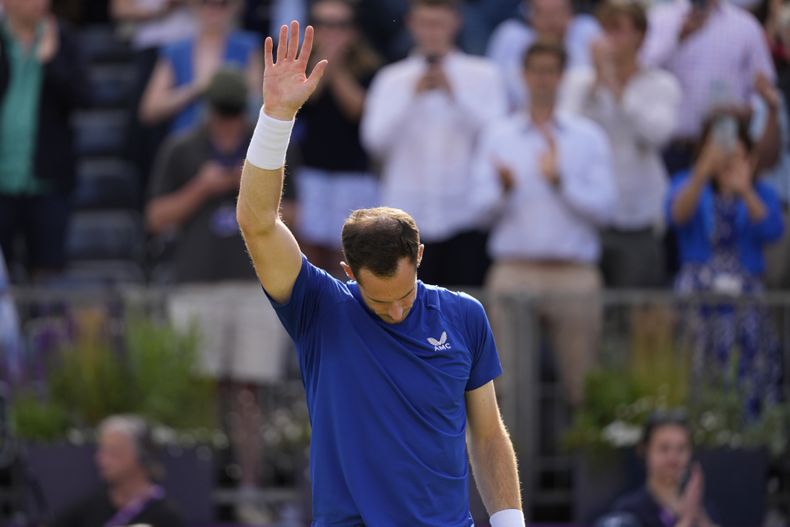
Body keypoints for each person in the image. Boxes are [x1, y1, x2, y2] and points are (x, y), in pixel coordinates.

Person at [237, 20, 524, 526]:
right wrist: (276, 117)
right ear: (348, 272)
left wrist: (509, 523)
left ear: (420, 256)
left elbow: (488, 433)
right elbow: (257, 224)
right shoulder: (319, 309)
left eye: (405, 296)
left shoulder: (464, 316)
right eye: (378, 302)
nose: (394, 310)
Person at [146, 68, 285, 523]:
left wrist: (251, 187)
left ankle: (247, 491)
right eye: (221, 115)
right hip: (198, 283)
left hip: (253, 284)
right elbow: (157, 217)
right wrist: (202, 188)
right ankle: (199, 492)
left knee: (249, 393)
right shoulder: (182, 148)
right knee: (199, 392)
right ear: (209, 111)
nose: (227, 124)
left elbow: (297, 213)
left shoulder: (267, 142)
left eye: (233, 114)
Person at [472, 41, 615, 407]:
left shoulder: (588, 137)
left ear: (562, 76)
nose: (542, 79)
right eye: (535, 70)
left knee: (584, 386)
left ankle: (584, 465)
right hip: (514, 269)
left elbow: (606, 209)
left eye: (550, 71)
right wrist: (502, 190)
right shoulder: (498, 135)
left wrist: (561, 182)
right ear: (523, 75)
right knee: (506, 388)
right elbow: (477, 210)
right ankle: (512, 466)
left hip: (575, 273)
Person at [361, 0, 507, 288]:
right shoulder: (392, 78)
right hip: (405, 217)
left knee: (462, 311)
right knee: (407, 311)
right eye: (425, 24)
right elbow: (374, 141)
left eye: (439, 24)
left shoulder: (483, 74)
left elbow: (498, 136)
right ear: (411, 25)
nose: (432, 33)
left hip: (466, 215)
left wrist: (456, 94)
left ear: (455, 24)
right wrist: (410, 96)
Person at [666, 115, 784, 417]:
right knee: (696, 363)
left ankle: (750, 427)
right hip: (698, 294)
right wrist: (702, 173)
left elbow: (772, 230)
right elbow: (677, 216)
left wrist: (745, 189)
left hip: (745, 300)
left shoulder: (762, 192)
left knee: (748, 365)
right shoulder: (687, 183)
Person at [560, 0, 681, 288]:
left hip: (639, 217)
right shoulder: (580, 81)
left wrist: (617, 91)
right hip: (587, 218)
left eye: (618, 30)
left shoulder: (661, 84)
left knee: (637, 314)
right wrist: (595, 85)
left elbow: (658, 135)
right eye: (605, 29)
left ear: (639, 36)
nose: (609, 39)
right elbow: (564, 131)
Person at [0, 0, 90, 282]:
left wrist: (51, 61)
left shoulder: (64, 38)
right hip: (2, 180)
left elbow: (84, 98)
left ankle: (45, 328)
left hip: (49, 180)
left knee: (48, 274)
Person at [294, 0, 381, 276]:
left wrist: (336, 66)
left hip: (353, 175)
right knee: (308, 258)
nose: (332, 32)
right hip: (311, 173)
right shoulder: (298, 69)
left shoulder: (370, 68)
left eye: (340, 25)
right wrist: (320, 66)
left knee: (347, 257)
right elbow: (300, 104)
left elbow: (358, 110)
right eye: (324, 24)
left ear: (353, 30)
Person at [640, 0, 777, 174]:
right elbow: (638, 74)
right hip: (669, 148)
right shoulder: (660, 20)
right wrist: (678, 38)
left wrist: (749, 109)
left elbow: (765, 88)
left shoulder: (746, 26)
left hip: (723, 148)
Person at [139, 0, 261, 135]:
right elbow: (150, 109)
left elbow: (256, 99)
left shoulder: (248, 46)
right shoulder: (176, 50)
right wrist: (195, 89)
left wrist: (227, 88)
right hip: (186, 141)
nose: (213, 9)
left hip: (235, 140)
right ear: (194, 5)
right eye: (205, 3)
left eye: (222, 4)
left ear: (234, 7)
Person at [54, 415, 184, 527]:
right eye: (101, 451)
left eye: (113, 451)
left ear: (141, 456)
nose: (101, 459)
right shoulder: (85, 510)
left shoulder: (165, 517)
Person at [609, 412, 720, 527]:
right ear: (644, 450)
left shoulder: (703, 508)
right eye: (664, 448)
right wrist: (687, 519)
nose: (673, 457)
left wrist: (699, 517)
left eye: (681, 449)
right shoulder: (628, 511)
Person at [487, 0, 600, 110]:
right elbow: (493, 89)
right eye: (543, 13)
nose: (551, 21)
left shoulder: (586, 32)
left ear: (570, 13)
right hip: (517, 120)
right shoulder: (510, 37)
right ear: (529, 14)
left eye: (557, 12)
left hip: (579, 118)